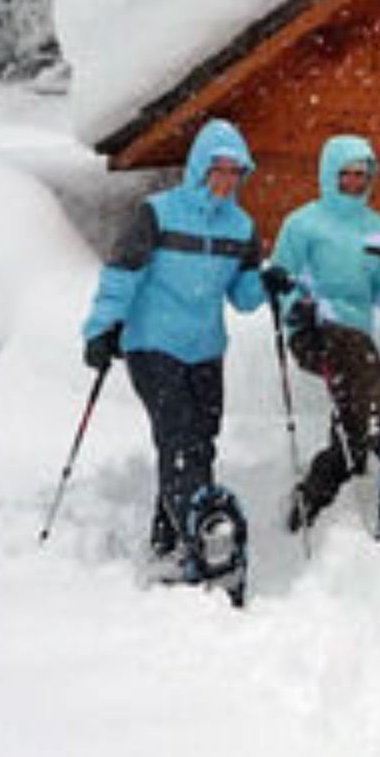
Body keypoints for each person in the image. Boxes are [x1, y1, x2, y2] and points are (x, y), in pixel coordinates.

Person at [81, 118, 267, 562]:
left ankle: (173, 536)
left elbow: (243, 298)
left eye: (234, 171)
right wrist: (102, 328)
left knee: (201, 439)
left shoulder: (241, 228)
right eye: (218, 169)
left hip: (205, 349)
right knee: (179, 435)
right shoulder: (158, 213)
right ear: (200, 167)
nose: (225, 180)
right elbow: (122, 274)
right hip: (151, 343)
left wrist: (270, 282)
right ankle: (203, 532)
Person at [264, 134, 380, 530]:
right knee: (358, 366)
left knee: (351, 430)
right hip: (313, 331)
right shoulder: (303, 224)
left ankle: (314, 498)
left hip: (356, 341)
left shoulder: (377, 229)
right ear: (330, 174)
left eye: (362, 175)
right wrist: (295, 306)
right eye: (345, 174)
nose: (354, 182)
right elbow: (280, 281)